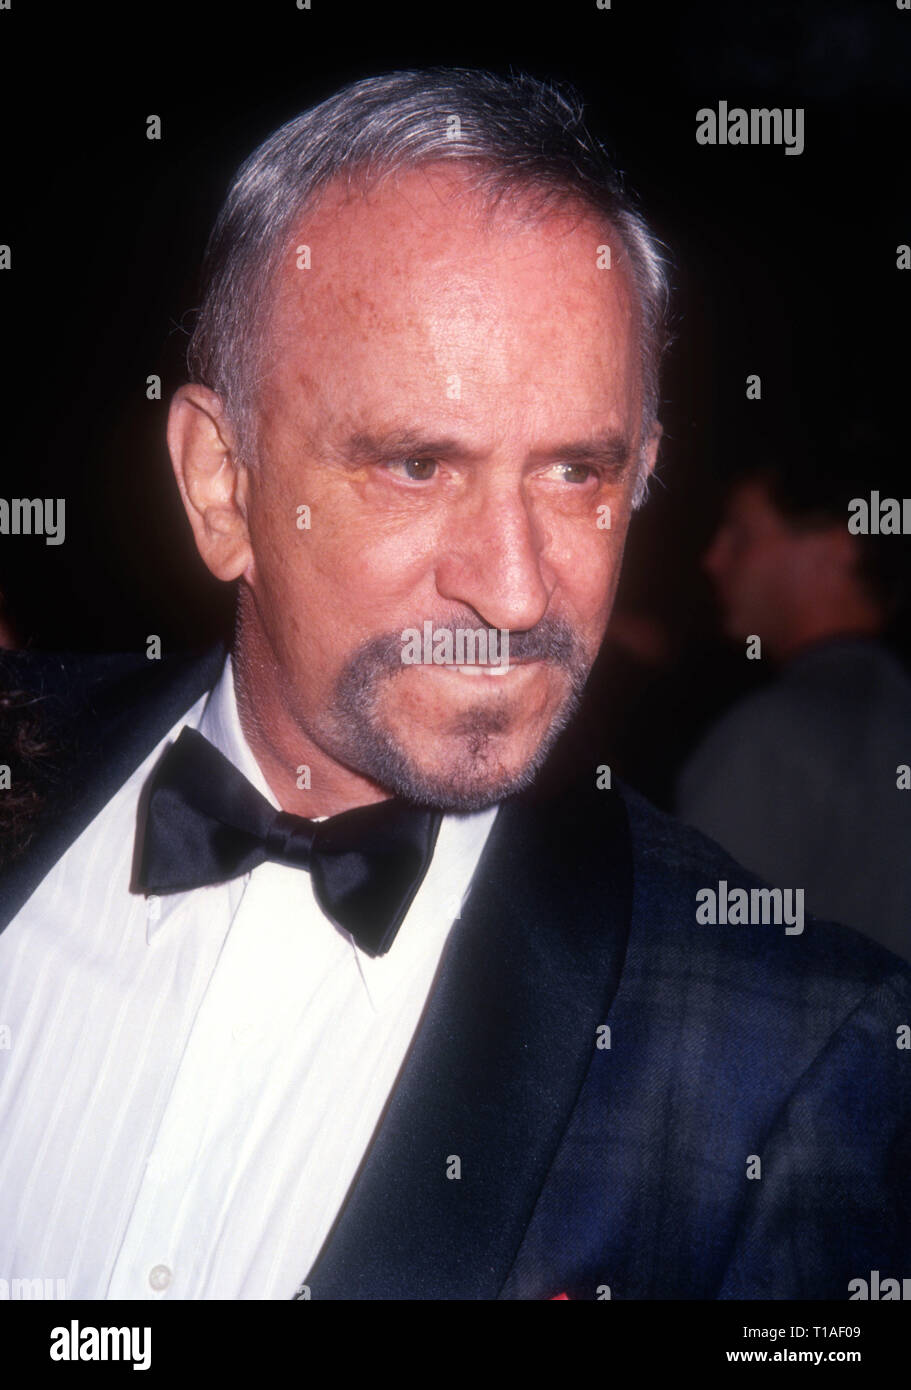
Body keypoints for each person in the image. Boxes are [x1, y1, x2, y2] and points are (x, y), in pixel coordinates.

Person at [0, 69, 908, 1302]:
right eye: (419, 464)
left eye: (578, 473)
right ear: (222, 486)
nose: (520, 593)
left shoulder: (786, 1059)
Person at [677, 457, 911, 962]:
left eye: (740, 536)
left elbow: (691, 969)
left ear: (837, 548)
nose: (713, 559)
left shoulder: (771, 738)